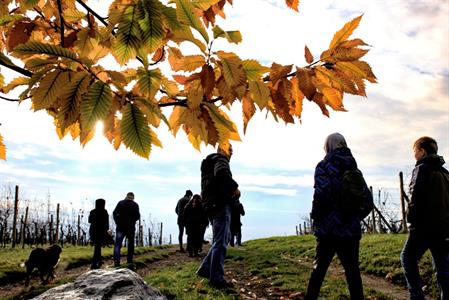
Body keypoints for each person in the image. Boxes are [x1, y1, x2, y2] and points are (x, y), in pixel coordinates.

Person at [305, 133, 373, 300]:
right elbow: (368, 201)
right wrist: (355, 217)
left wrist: (317, 219)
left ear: (328, 146)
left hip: (328, 229)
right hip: (351, 230)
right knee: (353, 272)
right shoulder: (355, 169)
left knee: (319, 270)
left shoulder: (323, 166)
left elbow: (320, 194)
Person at [401, 136, 449, 300]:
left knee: (407, 257)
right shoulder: (445, 173)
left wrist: (411, 221)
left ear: (422, 151)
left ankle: (417, 296)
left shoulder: (422, 168)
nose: (414, 155)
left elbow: (415, 198)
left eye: (415, 152)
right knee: (443, 269)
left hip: (423, 227)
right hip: (443, 229)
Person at [197, 143, 239, 289]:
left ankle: (206, 269)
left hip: (211, 205)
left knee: (220, 240)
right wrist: (235, 188)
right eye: (230, 149)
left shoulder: (210, 162)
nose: (232, 153)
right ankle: (216, 278)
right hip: (220, 204)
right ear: (222, 149)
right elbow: (222, 174)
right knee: (221, 242)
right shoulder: (221, 160)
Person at [113, 192, 140, 267]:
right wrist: (132, 220)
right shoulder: (135, 205)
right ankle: (129, 260)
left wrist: (117, 221)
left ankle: (116, 260)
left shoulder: (120, 203)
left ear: (126, 196)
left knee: (118, 244)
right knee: (130, 244)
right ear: (133, 197)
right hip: (130, 227)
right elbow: (137, 216)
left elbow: (114, 213)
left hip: (120, 227)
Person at [88, 198, 109, 269]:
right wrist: (106, 231)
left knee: (97, 246)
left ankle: (99, 260)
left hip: (93, 230)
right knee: (98, 246)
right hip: (101, 231)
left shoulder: (92, 211)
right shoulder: (104, 212)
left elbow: (89, 220)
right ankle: (94, 262)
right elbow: (107, 222)